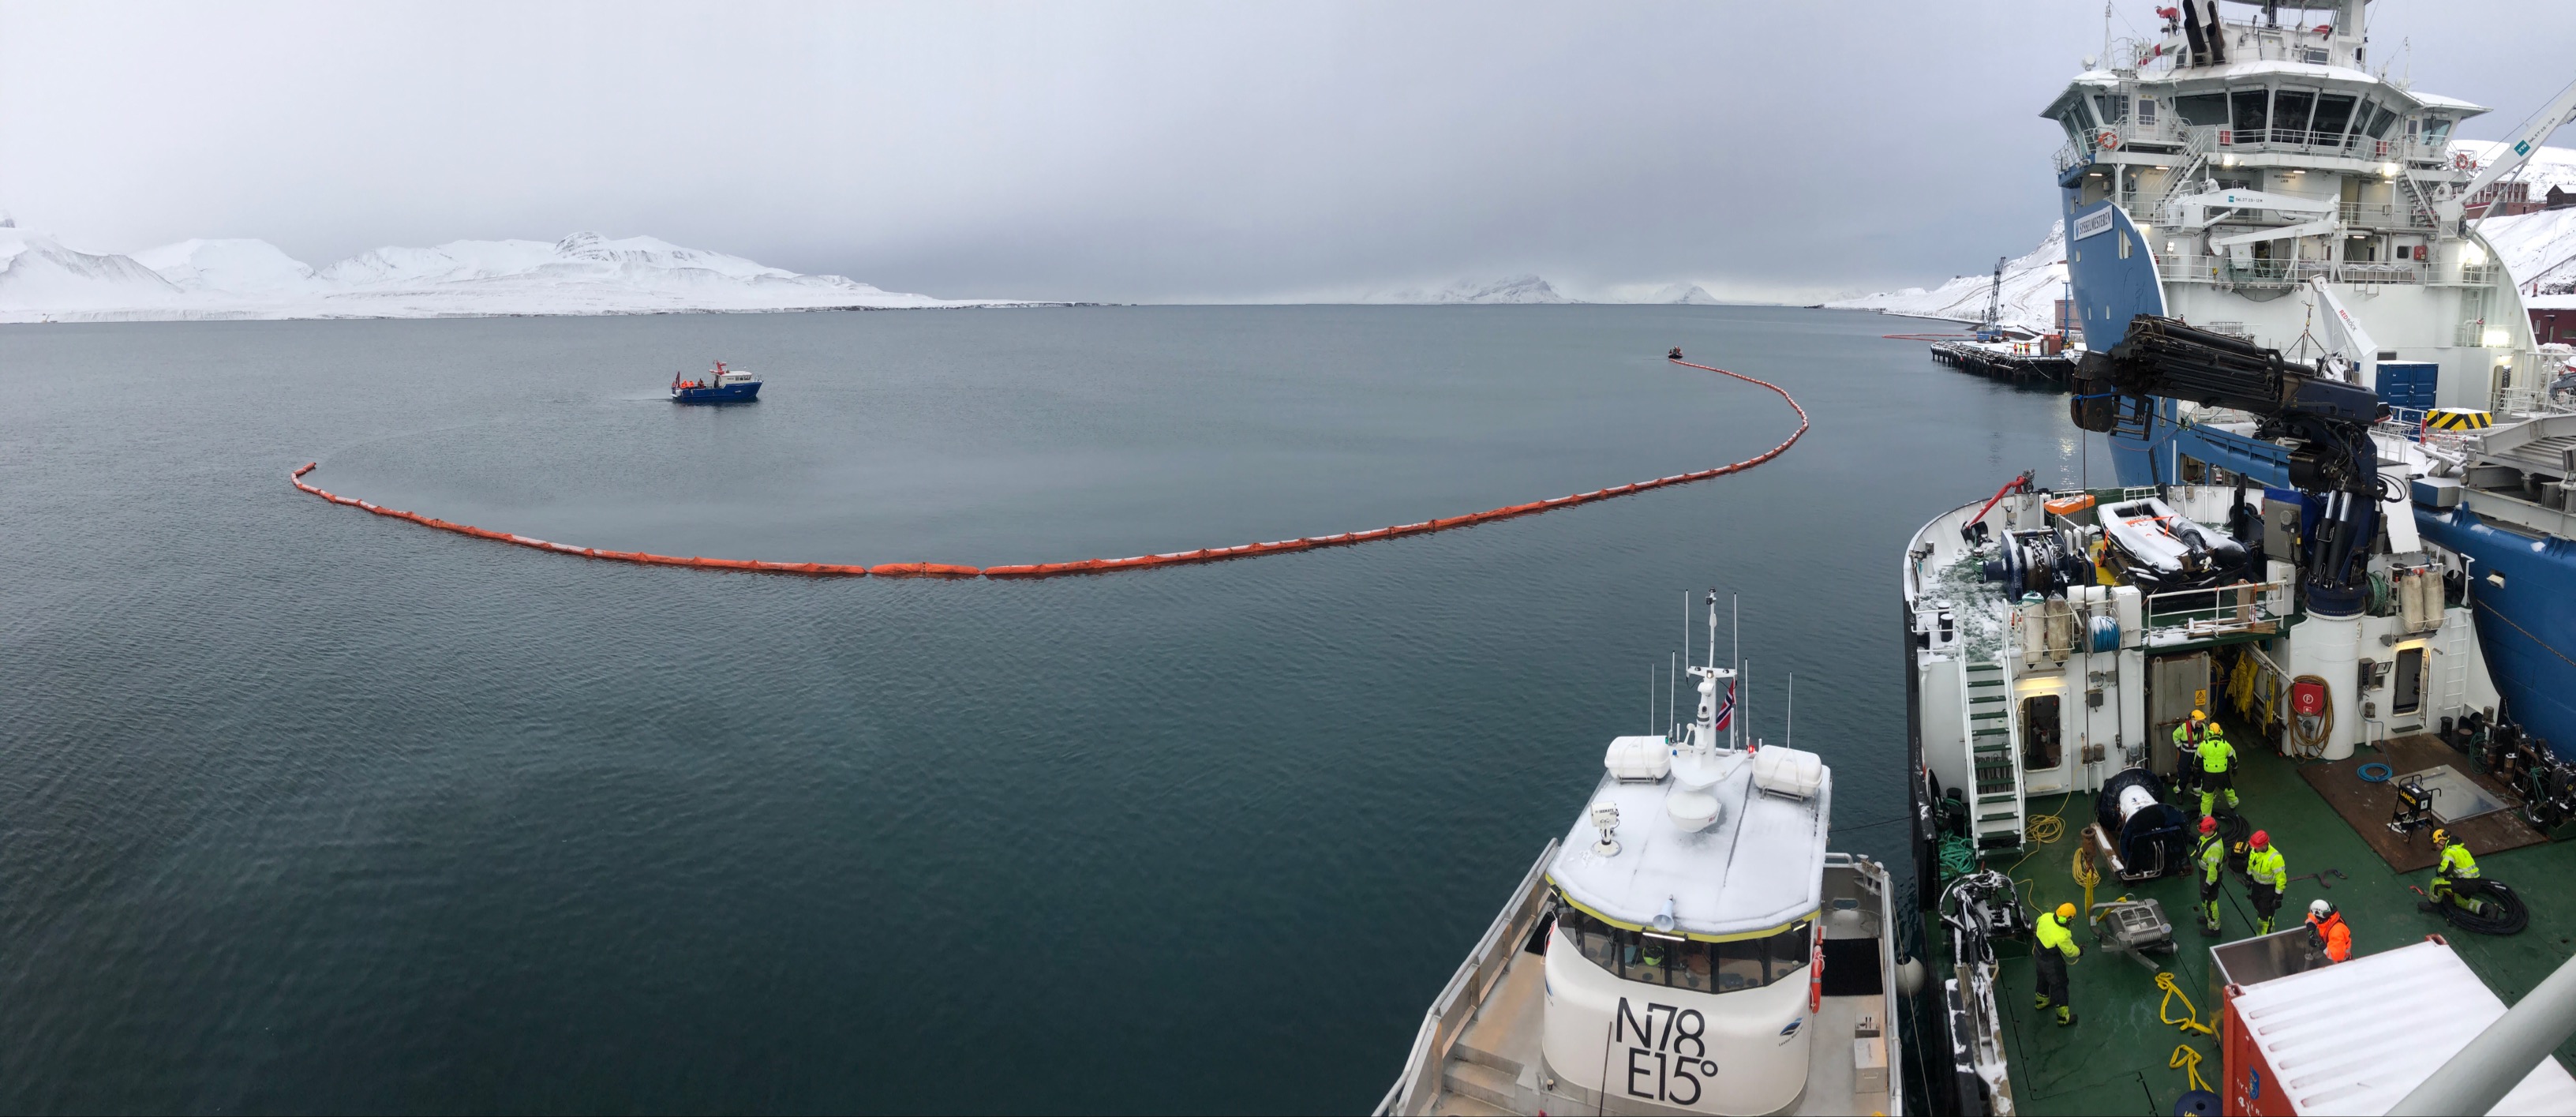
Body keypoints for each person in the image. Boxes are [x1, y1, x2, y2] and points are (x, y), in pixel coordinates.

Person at [2032, 901, 2081, 1026]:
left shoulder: (2045, 917)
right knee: (2060, 987)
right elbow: (2070, 952)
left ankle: (2041, 1002)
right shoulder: (2062, 935)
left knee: (2042, 979)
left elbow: (2038, 923)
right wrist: (2080, 951)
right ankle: (2063, 1018)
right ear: (2068, 919)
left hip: (2038, 955)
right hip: (2051, 963)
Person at [2425, 827, 2482, 911]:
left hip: (2465, 884)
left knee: (2436, 883)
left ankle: (2433, 906)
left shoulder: (2450, 852)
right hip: (2475, 883)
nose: (2436, 846)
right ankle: (2484, 908)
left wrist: (2438, 870)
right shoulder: (2461, 850)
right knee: (2460, 900)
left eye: (2436, 843)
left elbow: (2445, 871)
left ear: (2442, 841)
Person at [2245, 830, 2287, 934]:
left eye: (2256, 846)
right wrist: (2248, 877)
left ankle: (2262, 939)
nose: (2253, 848)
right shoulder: (2255, 851)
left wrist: (2278, 897)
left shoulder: (2276, 858)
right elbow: (2251, 864)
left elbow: (2281, 878)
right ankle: (2269, 926)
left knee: (2264, 917)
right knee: (2257, 905)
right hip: (2257, 886)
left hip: (2269, 889)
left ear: (2264, 845)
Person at [2193, 814, 2226, 936]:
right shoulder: (2208, 837)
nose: (2203, 834)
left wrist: (2207, 886)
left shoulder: (2215, 849)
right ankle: (2208, 918)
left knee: (2210, 902)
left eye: (2204, 831)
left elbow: (2213, 872)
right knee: (2205, 900)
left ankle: (2214, 928)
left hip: (2210, 878)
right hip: (2204, 873)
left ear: (2212, 830)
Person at [2199, 725, 2241, 818]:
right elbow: (2233, 758)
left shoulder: (2204, 745)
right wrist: (2235, 767)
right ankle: (2233, 803)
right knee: (2228, 789)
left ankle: (2205, 815)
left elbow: (2197, 759)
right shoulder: (2226, 744)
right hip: (2222, 774)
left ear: (2210, 732)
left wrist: (2196, 768)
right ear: (2220, 732)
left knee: (2207, 795)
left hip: (2208, 775)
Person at [2305, 898, 2352, 962]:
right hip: (2331, 945)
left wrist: (2320, 944)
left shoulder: (2336, 932)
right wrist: (2311, 931)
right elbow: (2313, 917)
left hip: (2341, 962)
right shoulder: (2329, 916)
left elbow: (2336, 956)